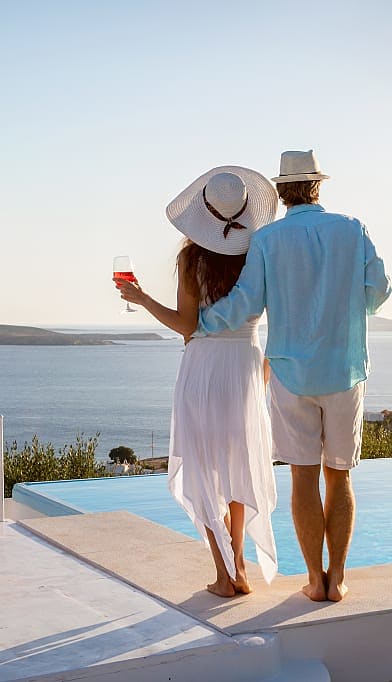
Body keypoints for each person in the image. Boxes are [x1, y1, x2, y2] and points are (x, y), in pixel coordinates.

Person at [193, 150, 391, 602]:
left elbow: (245, 304)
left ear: (282, 193)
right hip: (344, 369)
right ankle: (337, 578)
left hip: (289, 373)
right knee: (339, 476)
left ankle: (314, 579)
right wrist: (349, 306)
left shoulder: (269, 240)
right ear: (317, 187)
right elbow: (378, 293)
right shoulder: (352, 229)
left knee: (303, 476)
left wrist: (200, 325)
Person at [115, 167, 279, 597]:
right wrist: (264, 372)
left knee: (205, 471)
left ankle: (226, 575)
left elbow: (187, 327)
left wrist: (142, 299)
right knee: (239, 468)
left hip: (206, 367)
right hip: (246, 364)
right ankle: (238, 565)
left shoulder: (191, 259)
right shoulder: (259, 254)